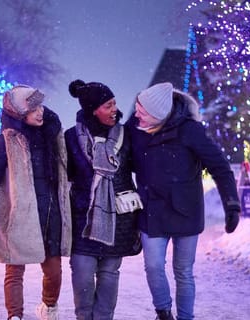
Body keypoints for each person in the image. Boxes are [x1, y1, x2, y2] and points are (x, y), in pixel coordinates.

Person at [125, 82, 241, 320]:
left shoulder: (189, 130)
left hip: (185, 210)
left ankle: (186, 317)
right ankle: (164, 312)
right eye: (137, 108)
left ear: (159, 115)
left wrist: (231, 204)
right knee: (154, 266)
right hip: (152, 210)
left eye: (142, 111)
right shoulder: (135, 130)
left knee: (183, 271)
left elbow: (219, 167)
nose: (136, 114)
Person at [0, 85, 71, 320]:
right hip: (20, 215)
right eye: (33, 108)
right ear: (20, 113)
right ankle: (15, 315)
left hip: (51, 215)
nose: (40, 112)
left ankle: (49, 307)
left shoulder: (54, 135)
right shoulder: (8, 140)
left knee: (53, 272)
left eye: (40, 106)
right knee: (14, 270)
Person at [64, 80, 143, 320]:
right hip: (83, 218)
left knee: (110, 272)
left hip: (119, 217)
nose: (114, 109)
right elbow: (63, 177)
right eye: (108, 105)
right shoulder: (70, 137)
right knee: (82, 272)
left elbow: (143, 168)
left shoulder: (126, 136)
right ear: (92, 109)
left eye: (114, 104)